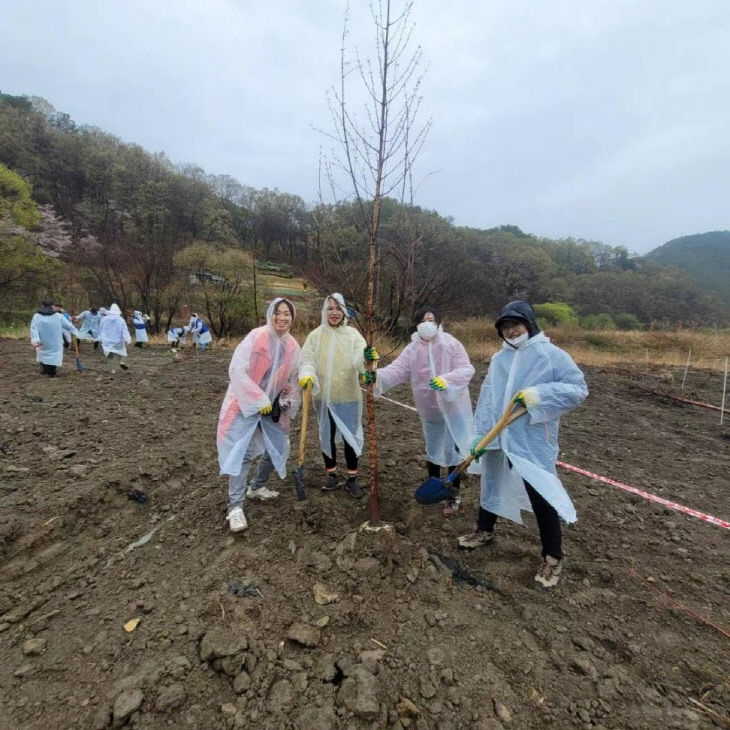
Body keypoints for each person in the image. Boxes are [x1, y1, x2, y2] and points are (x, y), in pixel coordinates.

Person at [459, 300, 588, 590]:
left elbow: (578, 389)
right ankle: (484, 530)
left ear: (529, 323)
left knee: (540, 492)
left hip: (531, 439)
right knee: (491, 481)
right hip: (498, 433)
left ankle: (553, 556)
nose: (511, 331)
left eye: (515, 324)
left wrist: (538, 395)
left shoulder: (551, 355)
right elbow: (490, 397)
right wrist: (480, 436)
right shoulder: (499, 359)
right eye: (505, 327)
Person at [365, 306, 475, 515]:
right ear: (417, 324)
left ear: (438, 322)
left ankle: (453, 494)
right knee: (433, 449)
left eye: (432, 320)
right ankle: (434, 489)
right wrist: (376, 376)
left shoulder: (451, 344)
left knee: (454, 452)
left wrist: (446, 381)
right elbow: (397, 371)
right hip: (430, 409)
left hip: (453, 407)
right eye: (424, 320)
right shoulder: (412, 349)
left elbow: (466, 369)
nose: (428, 324)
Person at [217, 298, 301, 532]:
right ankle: (235, 507)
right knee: (242, 452)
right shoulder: (256, 337)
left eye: (287, 313)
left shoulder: (292, 346)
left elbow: (292, 379)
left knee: (279, 446)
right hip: (244, 402)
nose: (282, 318)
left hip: (271, 407)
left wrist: (286, 399)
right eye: (278, 312)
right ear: (270, 314)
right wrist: (257, 398)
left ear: (292, 318)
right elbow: (237, 370)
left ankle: (256, 487)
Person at [299, 294, 367, 498]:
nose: (334, 312)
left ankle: (352, 479)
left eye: (338, 308)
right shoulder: (316, 335)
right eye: (330, 308)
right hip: (323, 398)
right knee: (326, 434)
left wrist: (367, 358)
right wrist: (307, 375)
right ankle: (332, 474)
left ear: (344, 311)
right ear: (324, 311)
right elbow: (307, 360)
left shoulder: (353, 335)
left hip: (348, 396)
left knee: (350, 437)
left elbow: (359, 361)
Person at [30, 300, 79, 377]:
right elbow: (68, 326)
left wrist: (35, 339)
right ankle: (51, 372)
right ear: (52, 306)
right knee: (54, 355)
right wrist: (75, 331)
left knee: (42, 353)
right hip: (55, 341)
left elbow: (33, 328)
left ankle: (44, 370)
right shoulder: (58, 316)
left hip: (43, 340)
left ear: (42, 306)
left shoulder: (37, 316)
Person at [99, 303, 132, 373]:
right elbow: (124, 331)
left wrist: (101, 337)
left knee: (110, 355)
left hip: (107, 340)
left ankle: (112, 370)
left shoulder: (104, 319)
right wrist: (127, 339)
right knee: (122, 352)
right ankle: (122, 362)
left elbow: (101, 328)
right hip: (118, 341)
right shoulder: (121, 320)